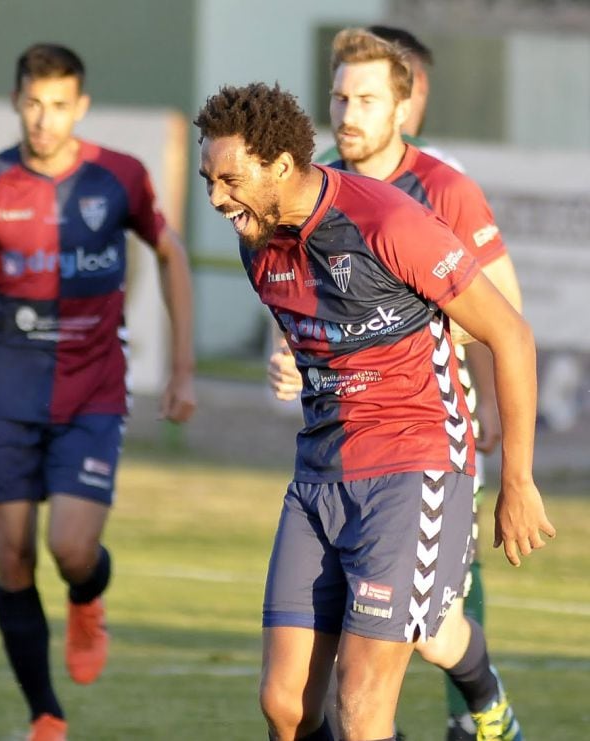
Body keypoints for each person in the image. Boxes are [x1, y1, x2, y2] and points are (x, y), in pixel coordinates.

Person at [195, 82, 554, 741]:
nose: (217, 197)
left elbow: (511, 333)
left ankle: (486, 700)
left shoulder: (386, 220)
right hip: (319, 475)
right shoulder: (257, 246)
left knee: (361, 708)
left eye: (230, 178)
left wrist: (519, 481)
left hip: (413, 469)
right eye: (208, 179)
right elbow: (325, 334)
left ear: (280, 164)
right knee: (285, 704)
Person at [0, 43, 196, 741]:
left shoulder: (118, 177)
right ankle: (46, 714)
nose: (44, 119)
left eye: (59, 105)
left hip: (92, 390)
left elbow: (171, 251)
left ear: (80, 107)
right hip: (6, 390)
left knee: (70, 548)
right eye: (33, 103)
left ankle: (87, 596)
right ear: (16, 101)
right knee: (11, 553)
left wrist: (183, 367)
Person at [267, 27, 524, 740]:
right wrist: (294, 359)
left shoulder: (443, 188)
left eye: (365, 98)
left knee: (418, 626)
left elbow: (505, 312)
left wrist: (397, 346)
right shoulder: (308, 183)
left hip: (430, 429)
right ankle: (438, 713)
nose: (346, 113)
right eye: (339, 96)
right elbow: (299, 313)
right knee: (367, 639)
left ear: (403, 109)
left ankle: (480, 708)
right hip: (339, 445)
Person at [315, 25, 462, 170]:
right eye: (341, 98)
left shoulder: (442, 180)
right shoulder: (320, 176)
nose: (348, 116)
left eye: (367, 100)